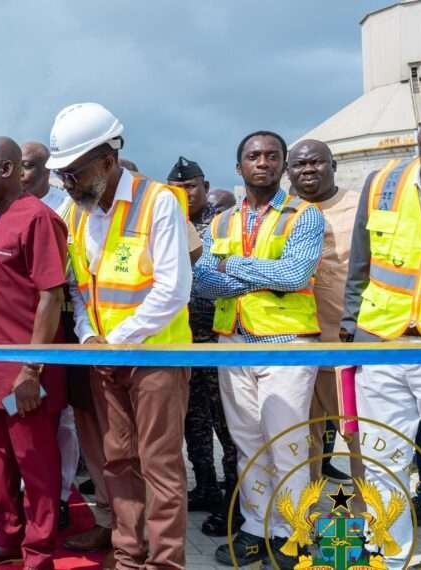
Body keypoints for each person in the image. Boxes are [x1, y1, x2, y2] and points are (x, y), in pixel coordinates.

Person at [50, 103, 194, 568]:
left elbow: (173, 289)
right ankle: (128, 555)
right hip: (105, 360)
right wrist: (90, 338)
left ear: (108, 160)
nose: (67, 184)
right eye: (63, 175)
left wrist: (120, 340)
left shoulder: (160, 203)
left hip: (156, 360)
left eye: (75, 173)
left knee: (160, 467)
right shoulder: (76, 215)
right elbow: (78, 287)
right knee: (117, 462)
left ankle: (164, 561)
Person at [194, 131, 325, 568]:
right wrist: (257, 273)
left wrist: (232, 265)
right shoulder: (220, 222)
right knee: (247, 440)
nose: (262, 162)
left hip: (286, 345)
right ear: (239, 167)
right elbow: (204, 281)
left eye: (272, 156)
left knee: (285, 442)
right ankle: (258, 527)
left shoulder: (304, 216)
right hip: (233, 342)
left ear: (284, 165)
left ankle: (294, 533)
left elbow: (294, 274)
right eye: (254, 156)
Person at [342, 91, 421, 569]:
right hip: (381, 347)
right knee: (383, 464)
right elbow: (359, 269)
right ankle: (392, 560)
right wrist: (350, 334)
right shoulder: (383, 182)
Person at [0, 137, 67, 570]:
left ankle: (39, 553)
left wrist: (32, 369)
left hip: (25, 376)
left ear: (5, 169)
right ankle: (6, 537)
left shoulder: (38, 219)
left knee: (35, 463)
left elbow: (50, 298)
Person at [166, 157, 239, 534]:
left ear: (205, 186)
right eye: (176, 188)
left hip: (218, 337)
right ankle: (206, 486)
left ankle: (235, 499)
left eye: (190, 186)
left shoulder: (223, 223)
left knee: (226, 423)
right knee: (192, 421)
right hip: (182, 341)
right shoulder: (165, 223)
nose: (184, 194)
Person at [286, 140, 364, 487]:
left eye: (315, 162)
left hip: (345, 349)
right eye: (299, 165)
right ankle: (301, 528)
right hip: (295, 346)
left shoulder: (359, 206)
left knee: (358, 441)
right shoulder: (283, 213)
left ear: (333, 165)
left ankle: (369, 526)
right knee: (301, 445)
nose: (307, 170)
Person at [20, 140, 80, 532]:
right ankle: (30, 495)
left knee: (63, 419)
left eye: (25, 166)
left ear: (46, 170)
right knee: (23, 414)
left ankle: (60, 495)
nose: (19, 173)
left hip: (66, 324)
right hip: (19, 327)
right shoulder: (2, 208)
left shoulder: (69, 208)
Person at [22, 142, 69, 212]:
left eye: (27, 166)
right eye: (16, 166)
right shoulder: (6, 205)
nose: (19, 172)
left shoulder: (66, 205)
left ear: (47, 169)